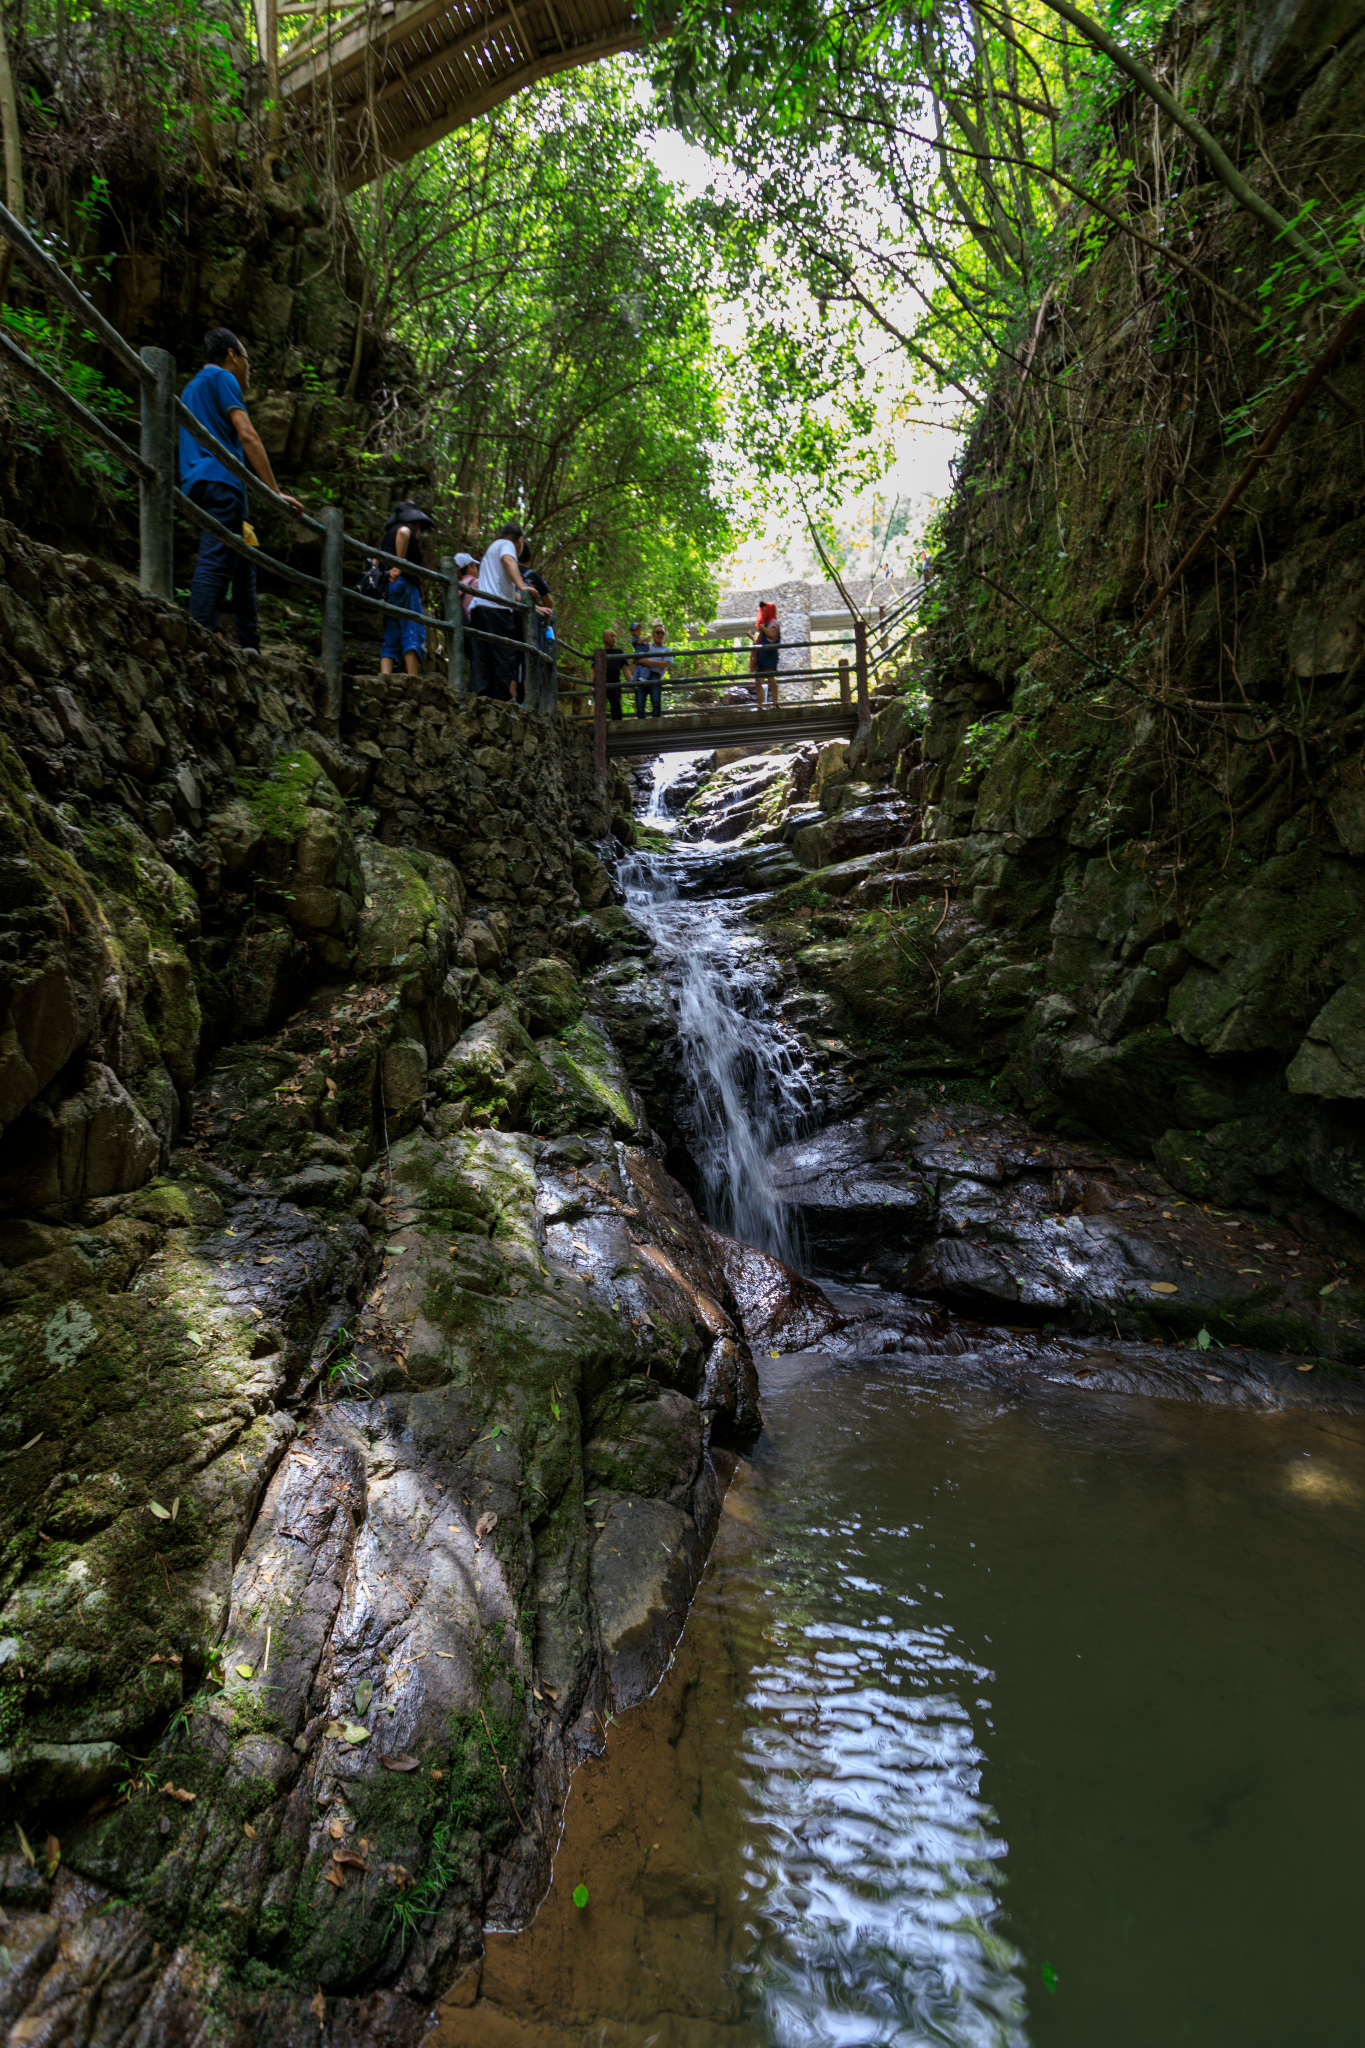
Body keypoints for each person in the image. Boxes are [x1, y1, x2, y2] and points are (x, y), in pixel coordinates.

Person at [178, 327, 303, 654]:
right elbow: (247, 435)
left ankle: (251, 645)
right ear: (232, 355)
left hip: (201, 484)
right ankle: (201, 636)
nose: (249, 367)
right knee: (216, 558)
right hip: (222, 484)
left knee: (245, 562)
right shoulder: (222, 378)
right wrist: (273, 491)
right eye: (247, 359)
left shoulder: (191, 389)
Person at [468, 520, 534, 700]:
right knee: (503, 656)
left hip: (480, 607)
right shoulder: (507, 545)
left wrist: (535, 607)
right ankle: (500, 699)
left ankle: (479, 696)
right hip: (496, 610)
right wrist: (523, 585)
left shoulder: (492, 549)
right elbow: (508, 559)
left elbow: (509, 594)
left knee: (482, 657)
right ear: (519, 540)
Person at [375, 499, 433, 679]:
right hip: (405, 584)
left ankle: (385, 677)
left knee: (391, 632)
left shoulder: (386, 536)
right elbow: (404, 532)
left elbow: (375, 559)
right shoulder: (405, 528)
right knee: (411, 627)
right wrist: (399, 564)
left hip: (389, 587)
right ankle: (412, 678)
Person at [634, 618, 674, 718]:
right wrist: (641, 661)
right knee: (639, 704)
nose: (660, 634)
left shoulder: (666, 650)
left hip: (655, 676)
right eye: (658, 632)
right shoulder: (646, 647)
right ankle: (641, 726)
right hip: (642, 675)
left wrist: (650, 662)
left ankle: (656, 727)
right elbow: (634, 659)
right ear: (653, 635)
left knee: (656, 703)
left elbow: (666, 664)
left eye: (662, 633)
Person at [751, 600, 781, 708]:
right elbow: (759, 640)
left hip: (769, 655)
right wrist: (751, 636)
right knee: (759, 681)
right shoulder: (765, 623)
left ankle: (775, 703)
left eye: (765, 610)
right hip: (760, 655)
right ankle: (759, 706)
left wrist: (763, 628)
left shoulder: (773, 622)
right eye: (762, 611)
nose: (763, 612)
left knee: (770, 678)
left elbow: (772, 633)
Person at [602, 628, 627, 721]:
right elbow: (593, 669)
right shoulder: (600, 653)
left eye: (615, 636)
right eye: (612, 635)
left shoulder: (619, 652)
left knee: (616, 704)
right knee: (600, 706)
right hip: (601, 684)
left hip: (615, 685)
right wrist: (591, 685)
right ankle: (601, 727)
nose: (614, 638)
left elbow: (625, 669)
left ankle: (618, 726)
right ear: (605, 638)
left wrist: (633, 684)